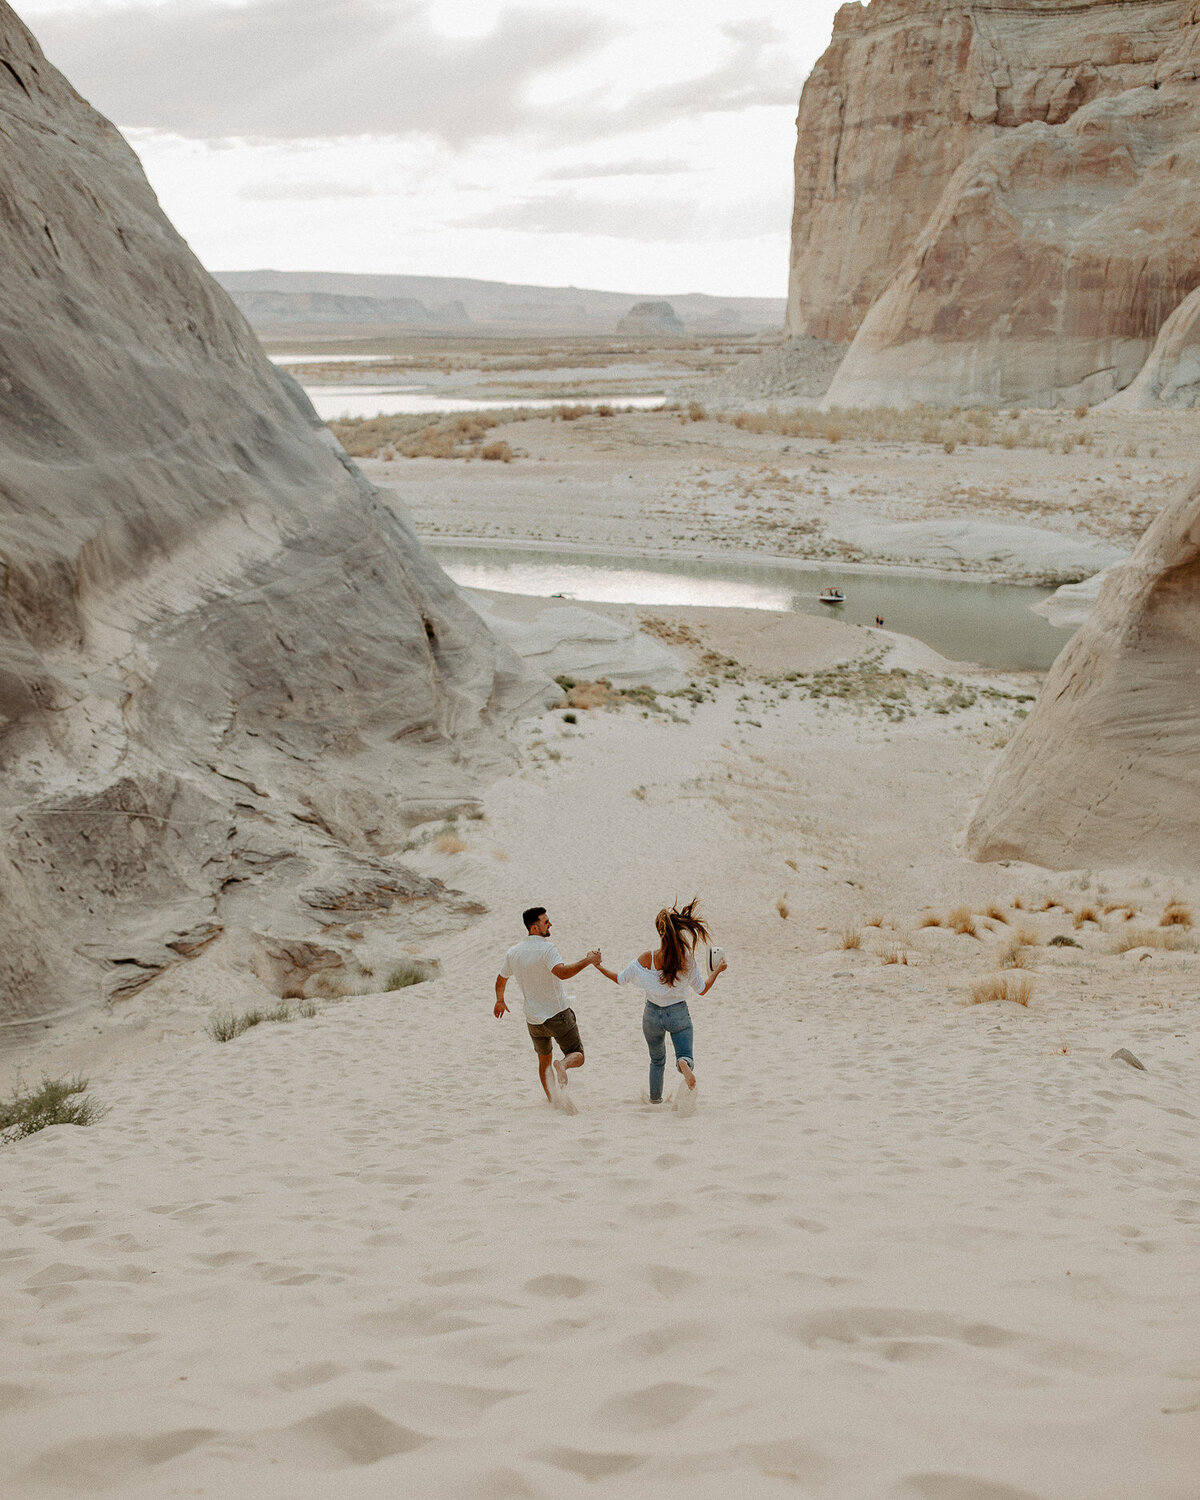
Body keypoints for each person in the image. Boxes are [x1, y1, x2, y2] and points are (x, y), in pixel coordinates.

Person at [597, 898, 726, 1104]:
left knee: (657, 1061)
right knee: (684, 1054)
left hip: (651, 1015)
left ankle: (655, 1099)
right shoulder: (686, 958)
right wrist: (717, 971)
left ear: (659, 932)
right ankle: (684, 1064)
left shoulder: (647, 958)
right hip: (678, 1014)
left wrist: (598, 966)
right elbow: (702, 989)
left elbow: (620, 978)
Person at [494, 906, 601, 1106]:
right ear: (534, 928)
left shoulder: (513, 952)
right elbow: (562, 972)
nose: (550, 924)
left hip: (533, 1020)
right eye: (546, 922)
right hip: (557, 1014)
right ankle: (563, 1064)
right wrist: (588, 960)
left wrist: (500, 1001)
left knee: (544, 1061)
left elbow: (501, 979)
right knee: (577, 1054)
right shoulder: (547, 949)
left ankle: (554, 1101)